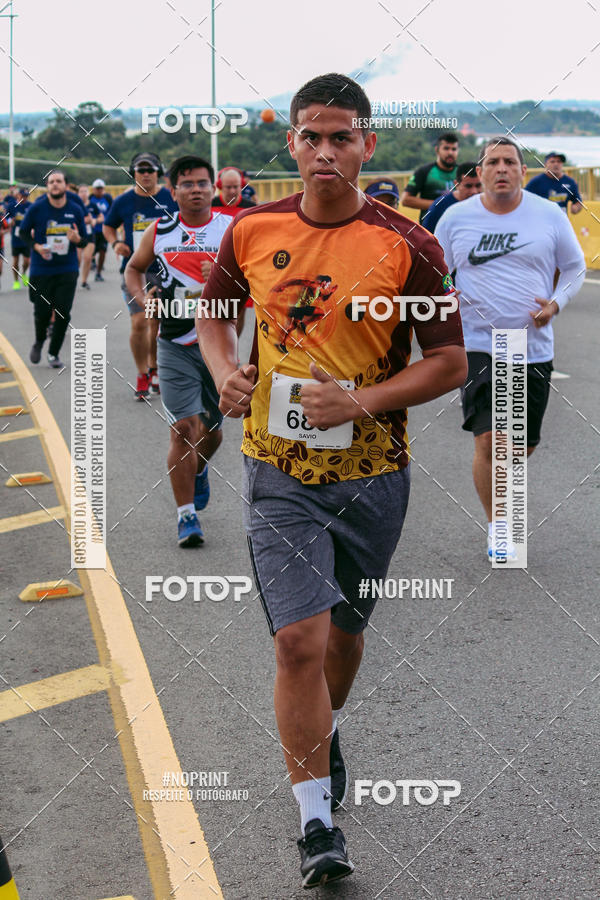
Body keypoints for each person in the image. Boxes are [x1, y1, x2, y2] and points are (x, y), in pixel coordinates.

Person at [197, 72, 466, 889]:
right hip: (277, 469)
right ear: (291, 144)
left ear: (367, 144)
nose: (324, 151)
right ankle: (316, 823)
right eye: (310, 136)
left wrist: (364, 398)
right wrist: (224, 373)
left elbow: (450, 361)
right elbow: (214, 316)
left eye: (341, 136)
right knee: (297, 641)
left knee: (345, 639)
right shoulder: (250, 230)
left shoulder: (410, 245)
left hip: (373, 475)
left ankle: (329, 728)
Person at [435, 137, 585, 561]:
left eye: (510, 162)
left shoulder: (548, 215)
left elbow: (574, 267)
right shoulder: (456, 218)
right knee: (492, 441)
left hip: (530, 345)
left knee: (522, 445)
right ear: (479, 173)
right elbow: (438, 273)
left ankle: (505, 487)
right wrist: (449, 299)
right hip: (477, 343)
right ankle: (500, 525)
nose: (501, 168)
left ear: (522, 171)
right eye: (492, 162)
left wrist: (556, 303)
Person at [125, 155, 230, 547]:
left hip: (220, 343)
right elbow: (134, 269)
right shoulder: (161, 230)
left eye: (203, 183)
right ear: (174, 191)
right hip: (174, 343)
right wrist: (143, 301)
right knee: (184, 429)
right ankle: (187, 517)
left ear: (212, 187)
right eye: (187, 184)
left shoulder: (232, 229)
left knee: (213, 432)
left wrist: (221, 275)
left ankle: (198, 470)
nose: (197, 189)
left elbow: (255, 280)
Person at [103, 151, 177, 399]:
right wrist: (115, 244)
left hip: (166, 270)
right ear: (133, 173)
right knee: (139, 323)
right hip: (135, 270)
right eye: (141, 170)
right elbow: (107, 226)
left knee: (157, 323)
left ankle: (154, 367)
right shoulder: (123, 201)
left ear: (159, 172)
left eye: (151, 170)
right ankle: (141, 373)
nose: (145, 174)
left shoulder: (171, 197)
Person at [19, 170, 88, 368]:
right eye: (51, 182)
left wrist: (78, 240)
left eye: (59, 181)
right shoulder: (37, 208)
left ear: (66, 185)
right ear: (47, 186)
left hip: (67, 268)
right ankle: (40, 340)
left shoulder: (75, 209)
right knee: (41, 312)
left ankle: (53, 353)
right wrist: (37, 247)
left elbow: (84, 240)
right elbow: (23, 232)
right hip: (42, 269)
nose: (55, 185)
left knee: (63, 312)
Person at [401, 132, 459, 222]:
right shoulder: (424, 171)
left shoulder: (462, 173)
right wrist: (439, 204)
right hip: (429, 229)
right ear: (437, 150)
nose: (450, 152)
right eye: (446, 148)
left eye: (454, 149)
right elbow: (405, 200)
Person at [421, 161, 482, 233]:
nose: (474, 191)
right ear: (456, 184)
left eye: (478, 185)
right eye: (468, 186)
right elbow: (426, 237)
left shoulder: (491, 204)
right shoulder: (439, 206)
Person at [89, 178, 113, 279]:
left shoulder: (107, 199)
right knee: (92, 251)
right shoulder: (90, 199)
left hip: (104, 230)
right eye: (97, 188)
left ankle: (98, 272)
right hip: (92, 230)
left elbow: (112, 212)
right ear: (93, 189)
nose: (99, 190)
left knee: (103, 250)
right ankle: (92, 261)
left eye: (101, 188)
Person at [10, 188, 32, 290]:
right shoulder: (12, 206)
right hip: (16, 237)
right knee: (15, 261)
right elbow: (6, 217)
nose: (24, 198)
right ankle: (16, 281)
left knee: (27, 261)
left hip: (26, 237)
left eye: (26, 196)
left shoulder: (30, 206)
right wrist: (10, 221)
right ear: (18, 195)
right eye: (23, 196)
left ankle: (24, 274)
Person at [77, 184, 97, 290]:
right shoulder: (75, 205)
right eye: (81, 191)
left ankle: (84, 281)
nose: (83, 193)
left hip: (89, 236)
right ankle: (73, 277)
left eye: (85, 191)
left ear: (88, 193)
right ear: (78, 193)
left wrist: (94, 220)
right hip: (78, 236)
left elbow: (101, 217)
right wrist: (85, 221)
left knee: (88, 258)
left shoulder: (93, 205)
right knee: (78, 259)